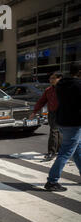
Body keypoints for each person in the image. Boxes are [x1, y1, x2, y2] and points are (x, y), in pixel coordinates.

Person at [44, 62, 81, 192]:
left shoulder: (61, 84)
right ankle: (52, 181)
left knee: (77, 149)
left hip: (62, 121)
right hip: (74, 123)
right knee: (65, 153)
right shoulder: (78, 85)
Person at [29, 72, 63, 160]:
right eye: (50, 78)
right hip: (52, 113)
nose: (51, 80)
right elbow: (41, 101)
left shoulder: (65, 89)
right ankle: (59, 150)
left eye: (53, 78)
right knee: (57, 131)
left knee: (55, 132)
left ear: (59, 78)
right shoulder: (48, 90)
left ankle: (52, 152)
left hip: (62, 113)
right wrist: (34, 112)